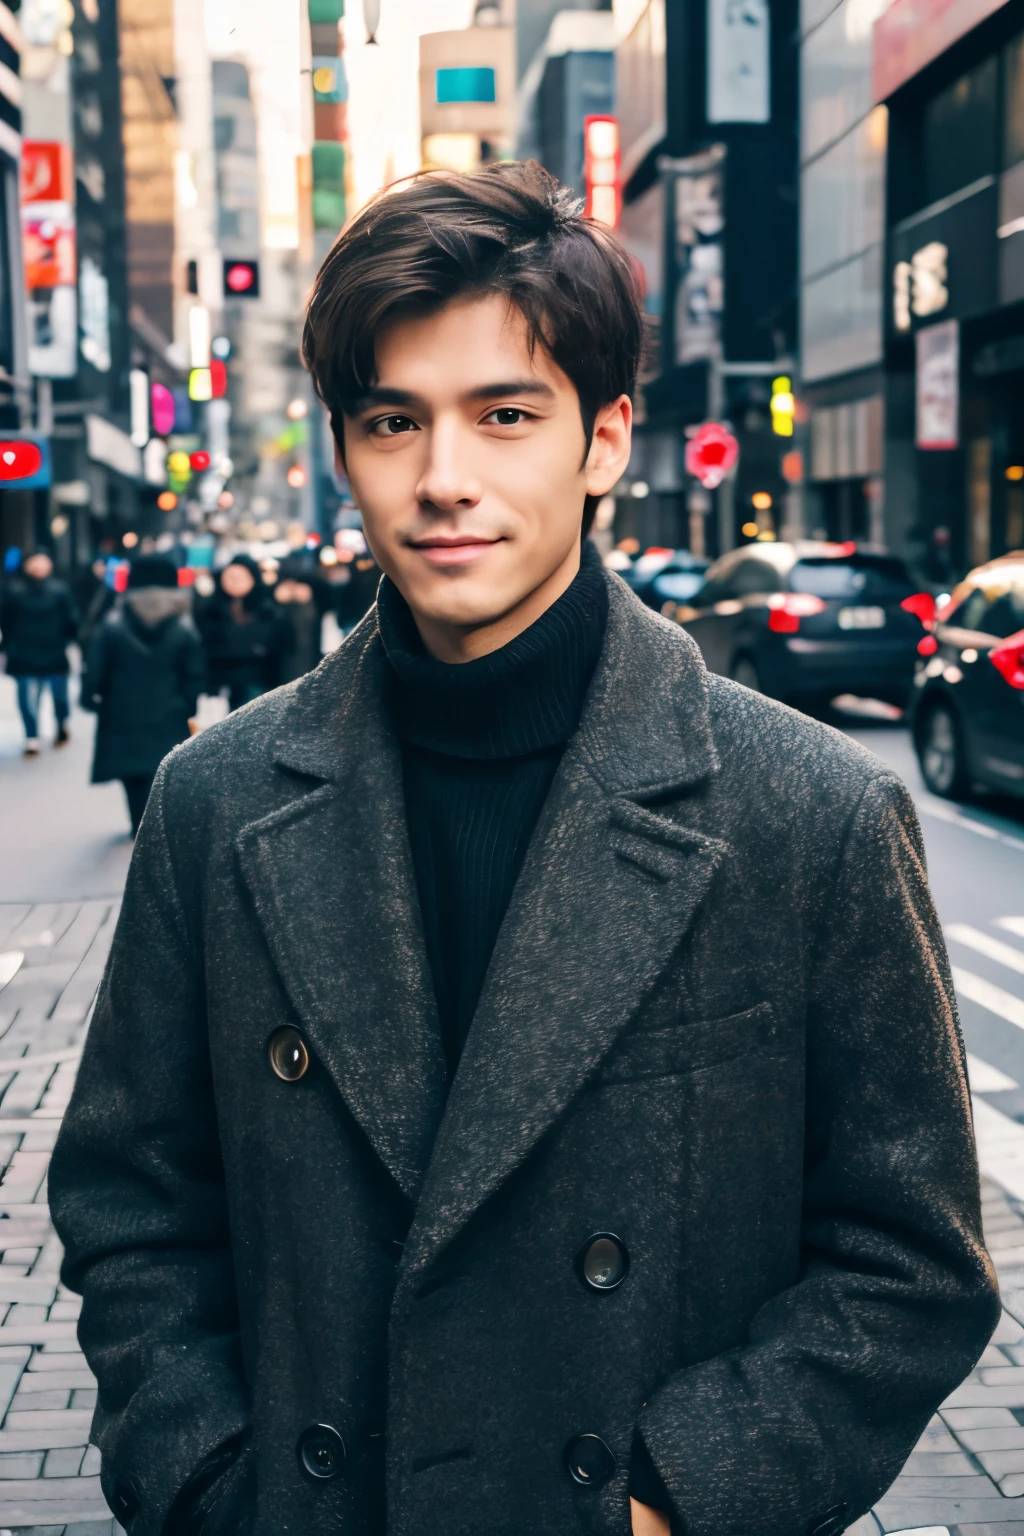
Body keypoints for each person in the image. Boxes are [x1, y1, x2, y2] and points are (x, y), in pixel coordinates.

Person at [49, 162, 997, 1536]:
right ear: (343, 446)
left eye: (505, 417)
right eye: (394, 422)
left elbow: (910, 1257)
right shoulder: (217, 803)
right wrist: (206, 1479)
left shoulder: (808, 814)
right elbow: (130, 1201)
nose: (446, 480)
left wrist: (682, 1499)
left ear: (604, 439)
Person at [80, 555, 205, 836]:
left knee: (132, 771)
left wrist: (91, 697)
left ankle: (139, 823)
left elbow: (97, 666)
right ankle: (159, 825)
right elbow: (194, 669)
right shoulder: (184, 626)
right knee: (164, 766)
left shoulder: (114, 623)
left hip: (121, 708)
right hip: (170, 707)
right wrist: (190, 702)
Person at [0, 549, 79, 756]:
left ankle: (59, 725)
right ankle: (32, 735)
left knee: (55, 694)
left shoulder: (58, 590)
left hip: (48, 649)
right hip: (26, 651)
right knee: (28, 696)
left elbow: (70, 620)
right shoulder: (14, 591)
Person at [196, 554, 290, 710]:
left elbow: (280, 655)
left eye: (241, 576)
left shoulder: (269, 612)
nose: (234, 581)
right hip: (221, 691)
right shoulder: (211, 611)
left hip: (259, 689)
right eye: (230, 576)